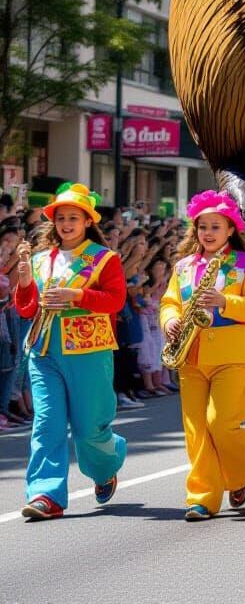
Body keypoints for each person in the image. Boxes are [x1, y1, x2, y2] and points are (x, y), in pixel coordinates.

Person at [14, 183, 127, 520]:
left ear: (87, 221)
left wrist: (77, 297)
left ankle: (106, 465)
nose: (66, 224)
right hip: (43, 350)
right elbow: (26, 308)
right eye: (61, 218)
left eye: (73, 218)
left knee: (89, 428)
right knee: (46, 423)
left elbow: (116, 300)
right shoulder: (38, 260)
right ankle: (45, 495)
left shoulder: (104, 259)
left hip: (88, 350)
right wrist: (23, 282)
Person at [160, 191, 245, 520]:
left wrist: (224, 302)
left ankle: (240, 471)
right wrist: (170, 320)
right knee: (196, 429)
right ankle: (202, 498)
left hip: (233, 353)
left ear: (231, 230)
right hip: (191, 355)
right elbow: (169, 302)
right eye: (202, 226)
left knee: (220, 423)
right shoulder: (183, 267)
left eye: (215, 227)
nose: (207, 233)